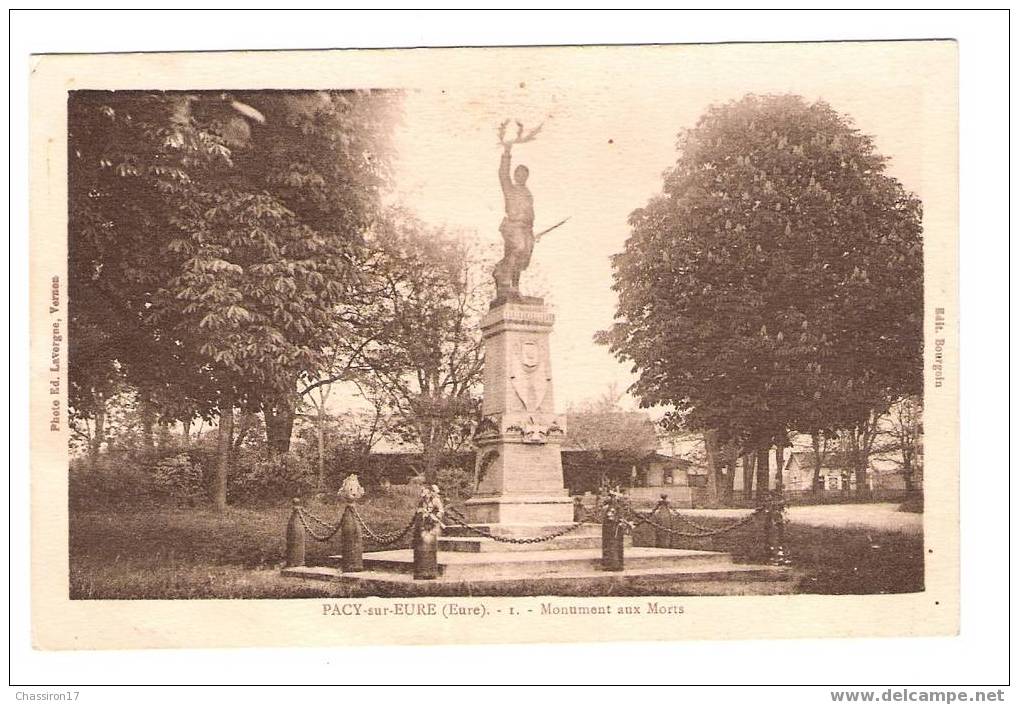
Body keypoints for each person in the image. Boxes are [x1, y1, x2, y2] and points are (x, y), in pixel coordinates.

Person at [494, 142, 535, 298]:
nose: (522, 177)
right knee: (518, 248)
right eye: (519, 174)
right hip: (513, 226)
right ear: (515, 175)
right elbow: (503, 174)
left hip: (526, 229)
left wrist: (531, 231)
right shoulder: (510, 189)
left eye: (525, 175)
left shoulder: (528, 193)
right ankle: (502, 275)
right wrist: (507, 152)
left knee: (524, 257)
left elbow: (530, 213)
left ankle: (514, 287)